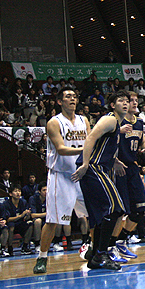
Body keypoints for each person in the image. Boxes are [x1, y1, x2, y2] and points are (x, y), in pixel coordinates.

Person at [33, 87, 90, 274]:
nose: (72, 99)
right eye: (68, 96)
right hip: (61, 175)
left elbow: (91, 141)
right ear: (59, 101)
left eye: (74, 96)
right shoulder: (54, 122)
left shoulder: (84, 120)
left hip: (81, 173)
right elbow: (61, 148)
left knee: (94, 216)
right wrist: (85, 150)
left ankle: (94, 250)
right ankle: (42, 257)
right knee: (53, 220)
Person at [72, 91, 130, 271]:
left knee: (102, 215)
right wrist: (86, 163)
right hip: (93, 168)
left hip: (99, 168)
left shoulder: (117, 125)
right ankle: (101, 253)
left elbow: (104, 145)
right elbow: (90, 138)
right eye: (120, 100)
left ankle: (96, 254)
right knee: (115, 208)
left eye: (127, 100)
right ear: (112, 105)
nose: (125, 103)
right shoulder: (110, 119)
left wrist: (115, 160)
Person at [109, 91, 145, 262]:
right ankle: (109, 247)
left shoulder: (139, 123)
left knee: (141, 210)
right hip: (118, 168)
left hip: (133, 168)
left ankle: (121, 241)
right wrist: (114, 160)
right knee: (120, 212)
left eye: (134, 100)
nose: (133, 103)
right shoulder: (115, 121)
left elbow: (142, 141)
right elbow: (105, 143)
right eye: (129, 100)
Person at [4, 184, 34, 256]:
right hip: (11, 223)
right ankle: (10, 248)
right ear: (10, 194)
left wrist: (27, 215)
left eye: (19, 191)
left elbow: (25, 218)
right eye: (15, 191)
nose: (18, 193)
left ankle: (25, 246)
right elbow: (8, 219)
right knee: (11, 227)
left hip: (20, 223)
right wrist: (21, 215)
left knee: (30, 225)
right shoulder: (6, 204)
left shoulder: (23, 202)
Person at [29, 181, 47, 252]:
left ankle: (55, 243)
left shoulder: (50, 198)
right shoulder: (33, 198)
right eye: (44, 190)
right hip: (35, 220)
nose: (46, 192)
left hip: (46, 219)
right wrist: (46, 214)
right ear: (39, 191)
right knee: (38, 221)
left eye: (47, 190)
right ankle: (37, 244)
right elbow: (33, 215)